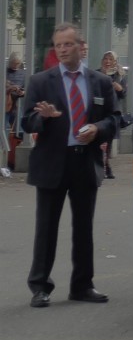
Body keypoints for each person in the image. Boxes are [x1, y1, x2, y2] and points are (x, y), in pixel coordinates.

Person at [22, 22, 118, 308]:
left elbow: (114, 119)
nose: (62, 50)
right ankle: (40, 286)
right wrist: (45, 118)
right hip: (52, 162)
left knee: (83, 228)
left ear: (80, 46)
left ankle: (82, 285)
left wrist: (98, 129)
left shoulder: (99, 81)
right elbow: (27, 121)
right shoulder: (41, 81)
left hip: (84, 162)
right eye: (58, 45)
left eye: (68, 44)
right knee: (46, 227)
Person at [98, 51, 126, 180]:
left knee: (108, 141)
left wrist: (119, 88)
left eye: (111, 59)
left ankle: (106, 165)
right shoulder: (96, 73)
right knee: (100, 140)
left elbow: (123, 94)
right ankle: (104, 167)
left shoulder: (119, 75)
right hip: (98, 111)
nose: (107, 62)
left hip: (112, 112)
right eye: (105, 59)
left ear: (115, 62)